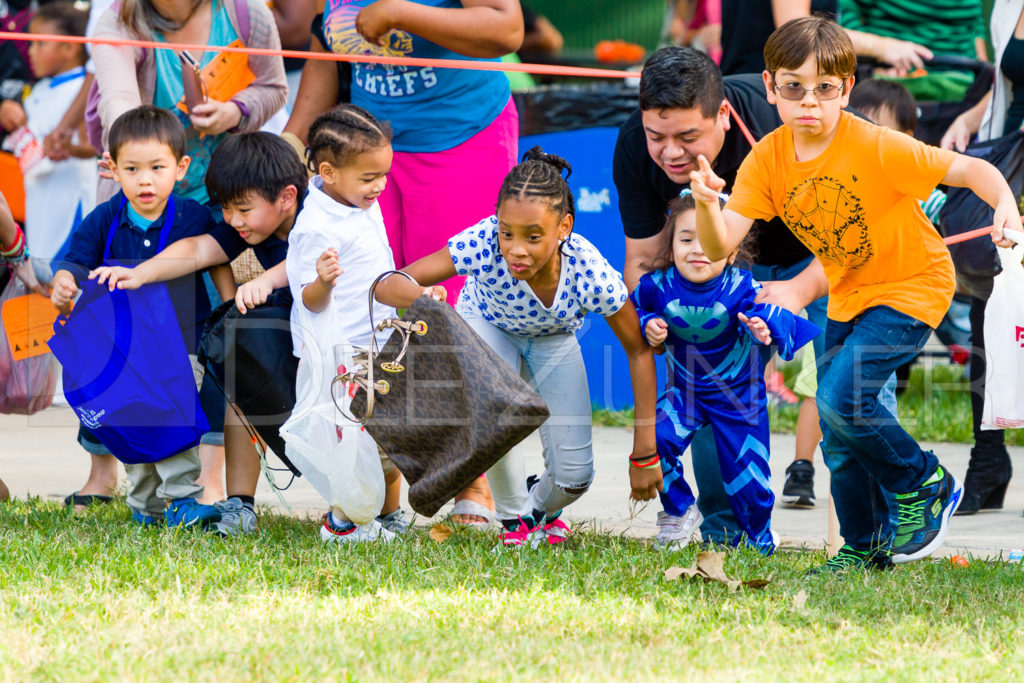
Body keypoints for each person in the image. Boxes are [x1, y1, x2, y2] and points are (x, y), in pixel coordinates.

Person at [690, 16, 1021, 571]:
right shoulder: (768, 159)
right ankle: (864, 547)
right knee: (837, 427)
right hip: (848, 293)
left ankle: (926, 483)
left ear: (846, 89)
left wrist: (1005, 203)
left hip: (912, 284)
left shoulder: (875, 146)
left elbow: (966, 168)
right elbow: (721, 241)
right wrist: (705, 203)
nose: (809, 103)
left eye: (825, 88)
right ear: (770, 88)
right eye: (793, 87)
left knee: (843, 398)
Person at [284, 0, 524, 526]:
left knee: (451, 309)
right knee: (369, 319)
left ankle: (471, 480)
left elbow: (507, 28)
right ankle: (378, 488)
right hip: (363, 157)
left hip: (461, 138)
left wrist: (397, 12)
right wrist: (291, 141)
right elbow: (327, 50)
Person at [374, 147, 660, 548]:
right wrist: (421, 292)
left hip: (553, 337)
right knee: (496, 407)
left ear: (564, 228)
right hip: (488, 324)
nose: (515, 248)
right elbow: (387, 282)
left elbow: (638, 350)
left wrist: (645, 450)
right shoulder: (483, 243)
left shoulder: (590, 273)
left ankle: (539, 508)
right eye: (506, 232)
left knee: (574, 478)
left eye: (533, 236)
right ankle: (514, 521)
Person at [613, 46, 829, 544]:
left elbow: (854, 241)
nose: (670, 152)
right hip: (717, 271)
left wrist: (796, 290)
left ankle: (875, 528)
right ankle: (726, 532)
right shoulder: (632, 145)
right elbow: (644, 262)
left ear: (724, 116)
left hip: (813, 254)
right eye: (657, 136)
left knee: (845, 389)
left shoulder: (783, 122)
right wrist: (658, 324)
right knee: (709, 390)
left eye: (688, 137)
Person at [90, 131, 307, 536]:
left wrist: (270, 279)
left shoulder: (320, 216)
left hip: (330, 335)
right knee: (241, 385)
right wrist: (141, 273)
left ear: (288, 197)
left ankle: (377, 512)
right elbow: (199, 250)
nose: (232, 220)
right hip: (287, 326)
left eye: (242, 209)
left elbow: (309, 261)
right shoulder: (246, 224)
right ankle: (240, 506)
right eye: (226, 209)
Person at [50, 106, 222, 527]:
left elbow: (218, 257)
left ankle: (182, 498)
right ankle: (145, 506)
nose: (145, 179)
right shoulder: (106, 218)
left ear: (181, 168)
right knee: (134, 422)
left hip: (181, 343)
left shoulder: (192, 217)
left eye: (157, 167)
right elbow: (75, 260)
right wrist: (63, 283)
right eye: (132, 168)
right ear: (112, 169)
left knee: (175, 421)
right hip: (123, 351)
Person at [632, 192, 819, 551]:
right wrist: (647, 324)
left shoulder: (743, 286)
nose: (698, 250)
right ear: (671, 246)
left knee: (749, 482)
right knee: (656, 440)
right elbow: (632, 313)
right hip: (683, 394)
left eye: (711, 240)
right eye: (686, 239)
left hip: (739, 400)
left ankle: (759, 538)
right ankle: (680, 510)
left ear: (732, 250)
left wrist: (764, 329)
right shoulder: (656, 286)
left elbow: (772, 315)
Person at [285, 104, 408, 544]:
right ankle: (342, 524)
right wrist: (322, 281)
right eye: (370, 177)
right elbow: (308, 301)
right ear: (328, 172)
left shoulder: (357, 202)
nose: (380, 186)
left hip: (377, 343)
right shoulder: (315, 227)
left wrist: (415, 296)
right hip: (340, 356)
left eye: (384, 175)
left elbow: (377, 274)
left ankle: (380, 516)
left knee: (382, 438)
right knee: (351, 445)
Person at [939, 0, 1024, 516]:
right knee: (988, 309)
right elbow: (1005, 79)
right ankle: (987, 460)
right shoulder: (1009, 5)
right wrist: (969, 121)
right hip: (1010, 159)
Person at [91, 0, 288, 203]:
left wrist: (234, 112)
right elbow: (119, 98)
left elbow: (273, 87)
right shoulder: (118, 23)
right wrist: (126, 140)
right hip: (147, 206)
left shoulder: (246, 11)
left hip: (231, 201)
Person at [19, 3, 97, 264]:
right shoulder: (39, 90)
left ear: (70, 48)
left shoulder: (82, 90)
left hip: (69, 205)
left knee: (63, 280)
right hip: (39, 204)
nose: (31, 52)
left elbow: (92, 148)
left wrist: (70, 150)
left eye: (40, 44)